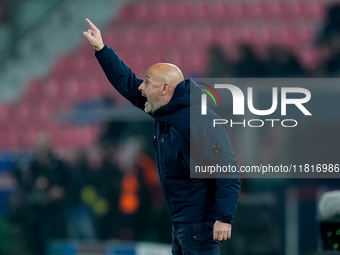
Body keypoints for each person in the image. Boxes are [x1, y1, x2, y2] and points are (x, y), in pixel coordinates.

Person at [83, 18, 241, 255]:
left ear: (165, 89)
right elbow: (128, 84)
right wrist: (102, 50)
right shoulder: (164, 110)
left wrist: (224, 218)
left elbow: (227, 169)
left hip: (199, 226)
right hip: (182, 224)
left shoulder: (198, 120)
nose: (141, 88)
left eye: (147, 82)